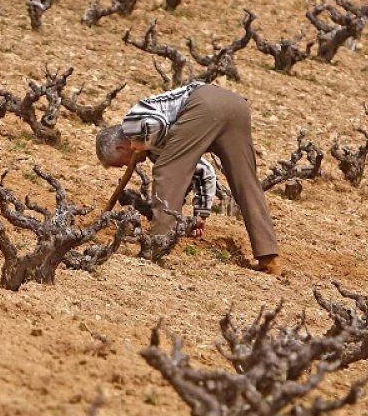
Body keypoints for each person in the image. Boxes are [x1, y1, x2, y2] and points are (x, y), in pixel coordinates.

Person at [95, 80, 282, 275]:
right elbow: (203, 171)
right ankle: (268, 257)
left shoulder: (131, 124)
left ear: (121, 147)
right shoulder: (156, 147)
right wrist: (201, 213)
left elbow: (157, 123)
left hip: (204, 104)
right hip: (236, 106)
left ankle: (158, 244)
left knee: (166, 170)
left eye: (123, 163)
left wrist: (142, 143)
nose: (130, 165)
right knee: (246, 183)